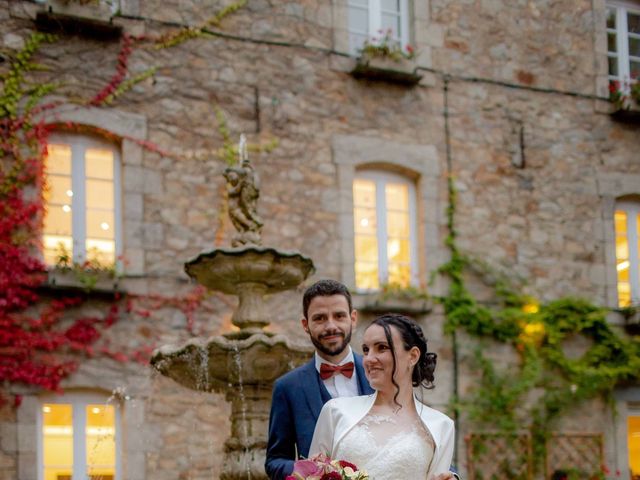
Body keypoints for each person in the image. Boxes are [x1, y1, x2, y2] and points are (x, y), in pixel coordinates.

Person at [309, 313, 456, 480]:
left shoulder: (441, 426)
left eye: (382, 347)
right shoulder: (334, 411)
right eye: (366, 350)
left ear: (413, 356)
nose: (369, 359)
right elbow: (309, 473)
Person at [265, 279, 374, 480]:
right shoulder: (287, 387)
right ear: (305, 325)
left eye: (339, 316)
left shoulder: (379, 373)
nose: (330, 326)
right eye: (320, 318)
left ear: (353, 318)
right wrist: (309, 470)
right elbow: (275, 461)